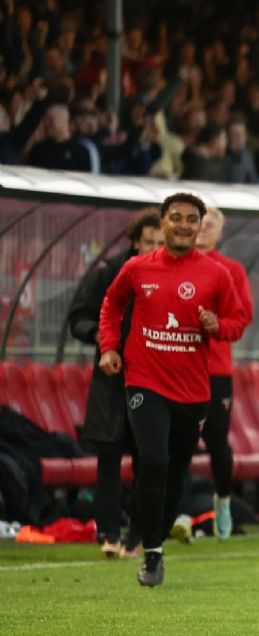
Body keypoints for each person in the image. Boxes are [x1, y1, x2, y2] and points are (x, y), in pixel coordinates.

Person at [98, 192, 246, 587]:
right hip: (144, 381)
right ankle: (150, 552)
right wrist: (110, 347)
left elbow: (237, 321)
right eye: (175, 217)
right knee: (154, 458)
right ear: (162, 223)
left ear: (199, 227)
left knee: (176, 469)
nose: (183, 225)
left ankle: (156, 540)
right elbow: (111, 305)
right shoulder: (136, 268)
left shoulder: (217, 274)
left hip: (193, 391)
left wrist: (217, 326)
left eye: (191, 219)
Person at [66, 209, 164, 558]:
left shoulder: (172, 275)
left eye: (160, 243)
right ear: (135, 241)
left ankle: (137, 536)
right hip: (112, 380)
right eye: (148, 242)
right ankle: (108, 534)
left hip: (153, 380)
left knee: (147, 462)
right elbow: (79, 316)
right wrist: (101, 338)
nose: (153, 248)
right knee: (108, 460)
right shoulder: (110, 273)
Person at [193, 206, 253, 539]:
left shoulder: (231, 270)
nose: (202, 228)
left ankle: (223, 502)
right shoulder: (173, 264)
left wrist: (217, 325)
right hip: (177, 369)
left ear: (220, 232)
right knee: (174, 443)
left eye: (209, 224)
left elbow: (242, 317)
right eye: (198, 222)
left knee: (217, 441)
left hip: (215, 370)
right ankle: (179, 511)